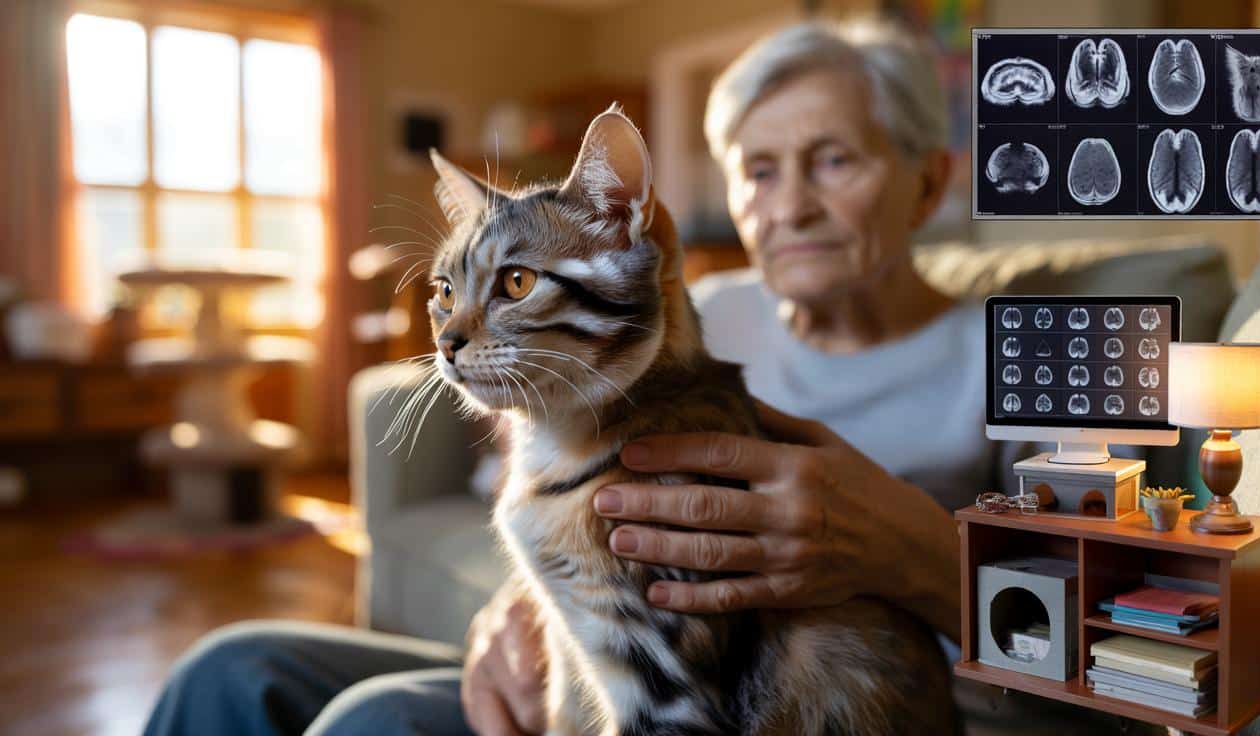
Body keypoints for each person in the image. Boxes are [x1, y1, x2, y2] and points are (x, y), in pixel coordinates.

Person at [143, 19, 1154, 736]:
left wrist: (919, 554)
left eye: (833, 159)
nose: (788, 205)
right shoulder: (688, 312)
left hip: (792, 702)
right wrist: (518, 607)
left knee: (367, 723)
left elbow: (1135, 638)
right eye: (756, 170)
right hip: (612, 674)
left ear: (928, 179)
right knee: (232, 666)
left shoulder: (1052, 339)